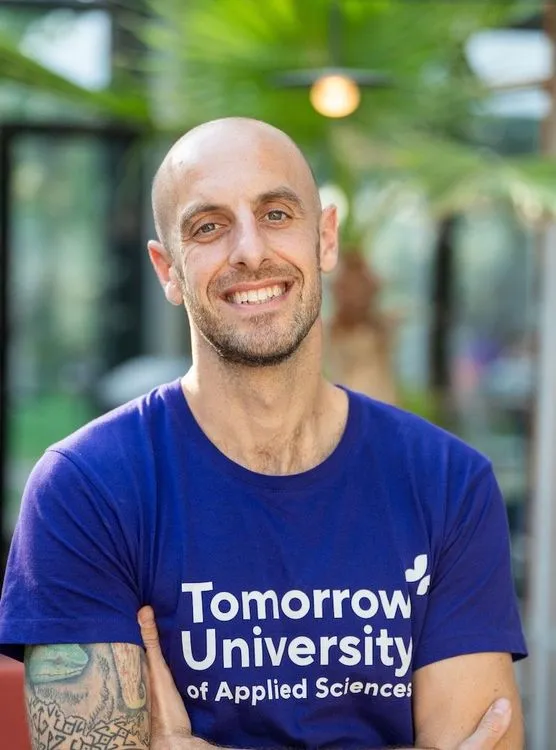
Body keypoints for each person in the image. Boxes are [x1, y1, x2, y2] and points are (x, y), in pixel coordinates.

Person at [0, 117, 526, 749]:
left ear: (324, 238)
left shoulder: (447, 483)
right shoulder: (86, 488)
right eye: (208, 226)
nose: (249, 251)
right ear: (168, 270)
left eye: (276, 215)